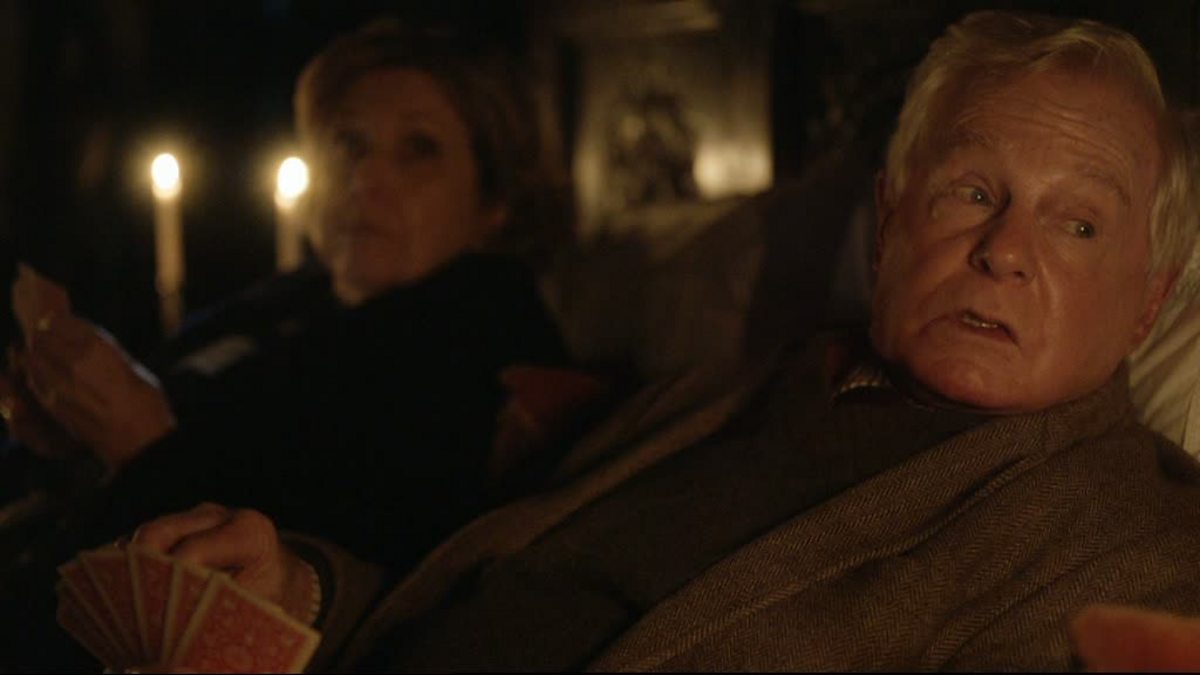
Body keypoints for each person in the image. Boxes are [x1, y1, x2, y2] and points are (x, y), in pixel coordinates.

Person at [116, 10, 1200, 672]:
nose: (1004, 250)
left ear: (1148, 305)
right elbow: (487, 590)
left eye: (1079, 224)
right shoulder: (741, 383)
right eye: (970, 191)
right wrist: (300, 597)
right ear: (889, 223)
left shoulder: (1137, 554)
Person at [0, 19, 587, 669]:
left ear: (495, 200)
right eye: (348, 142)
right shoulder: (291, 298)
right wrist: (72, 439)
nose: (365, 174)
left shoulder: (480, 341)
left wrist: (146, 444)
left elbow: (347, 575)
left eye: (418, 148)